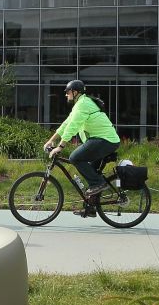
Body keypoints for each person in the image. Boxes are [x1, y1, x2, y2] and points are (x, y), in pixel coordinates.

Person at [44, 80, 120, 217]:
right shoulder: (79, 105)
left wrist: (60, 146)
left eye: (68, 92)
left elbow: (73, 126)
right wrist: (51, 140)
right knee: (91, 170)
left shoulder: (83, 104)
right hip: (100, 140)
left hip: (105, 140)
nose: (66, 95)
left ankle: (98, 183)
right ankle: (90, 208)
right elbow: (66, 124)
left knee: (74, 158)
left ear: (75, 92)